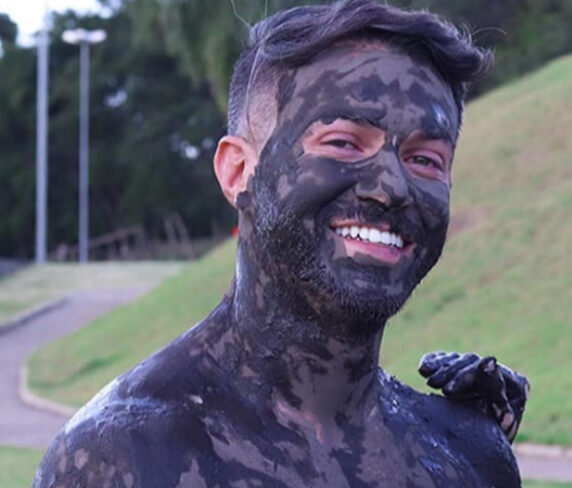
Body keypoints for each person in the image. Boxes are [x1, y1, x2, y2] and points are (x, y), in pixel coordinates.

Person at [34, 1, 528, 487]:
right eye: (343, 143)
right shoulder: (125, 457)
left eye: (426, 160)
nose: (392, 187)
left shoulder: (469, 457)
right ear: (238, 172)